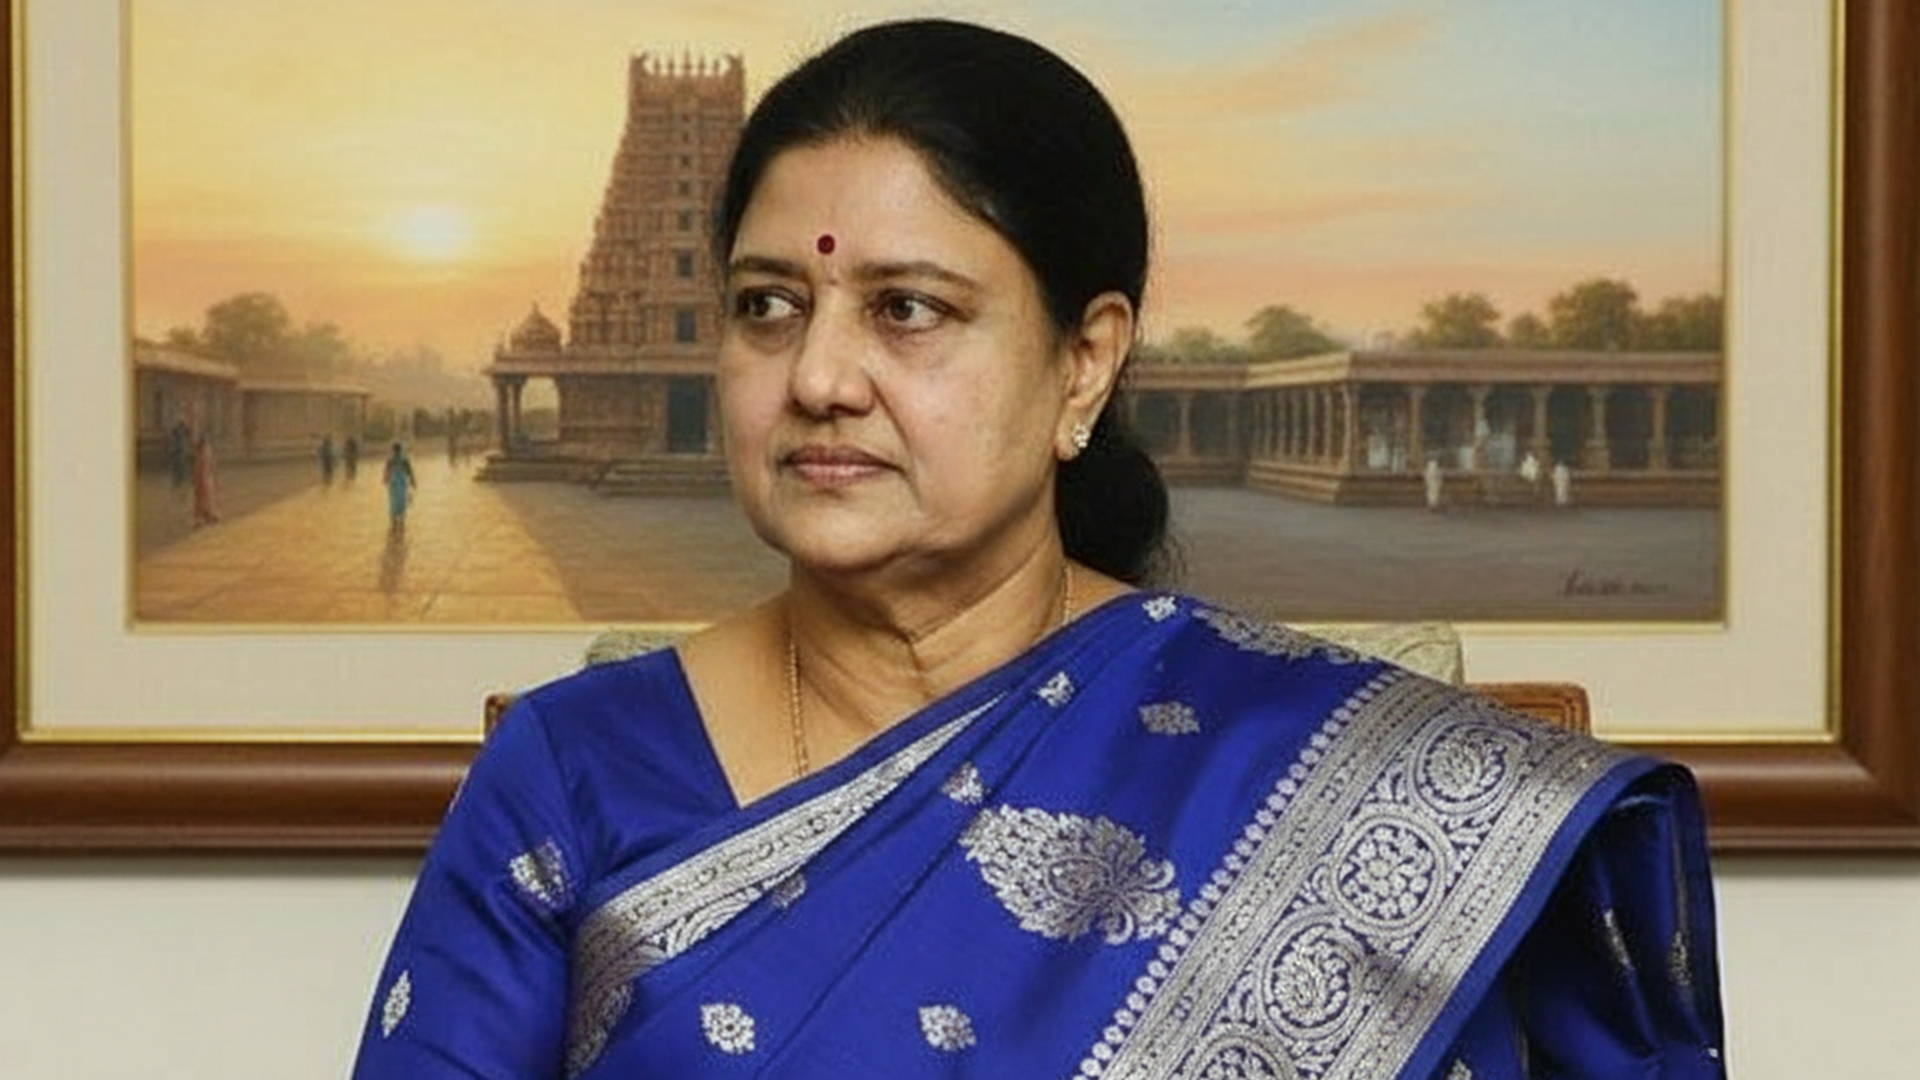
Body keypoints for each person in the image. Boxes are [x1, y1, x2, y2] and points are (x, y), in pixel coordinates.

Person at [351, 20, 1724, 1080]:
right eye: (769, 304)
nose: (819, 374)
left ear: (1085, 364)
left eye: (907, 309)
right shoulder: (571, 772)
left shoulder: (1336, 777)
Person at [382, 441, 416, 527]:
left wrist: (385, 479)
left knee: (395, 500)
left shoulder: (391, 459)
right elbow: (409, 471)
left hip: (394, 482)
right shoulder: (403, 459)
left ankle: (395, 520)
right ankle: (400, 520)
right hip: (400, 481)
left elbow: (387, 471)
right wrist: (413, 481)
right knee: (401, 500)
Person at [190, 432, 220, 526]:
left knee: (207, 497)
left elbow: (211, 466)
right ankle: (202, 516)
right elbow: (201, 468)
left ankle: (208, 514)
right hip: (204, 479)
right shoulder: (201, 454)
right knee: (203, 497)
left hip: (206, 478)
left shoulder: (205, 453)